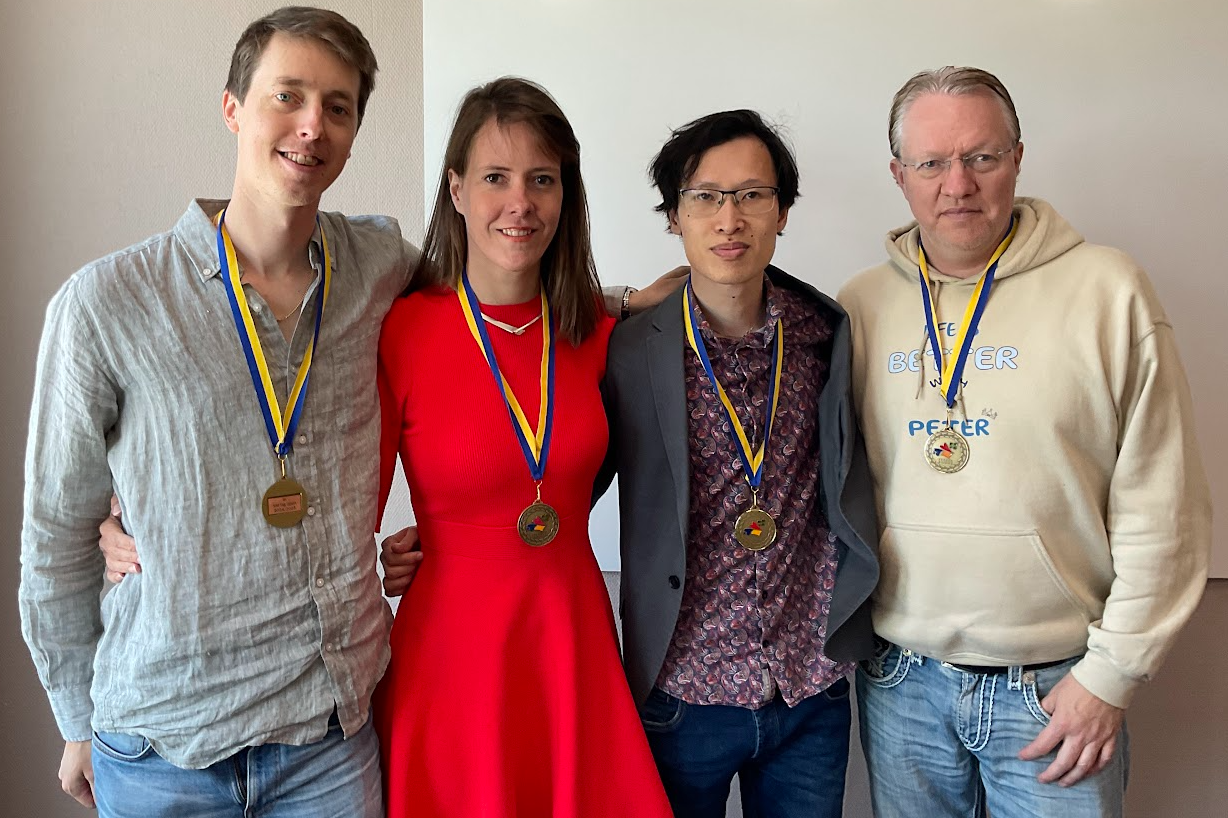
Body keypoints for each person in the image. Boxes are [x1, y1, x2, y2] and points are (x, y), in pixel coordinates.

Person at [20, 8, 408, 816]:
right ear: (233, 108)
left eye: (337, 107)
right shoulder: (106, 303)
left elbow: (495, 293)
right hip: (163, 746)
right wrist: (75, 719)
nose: (312, 125)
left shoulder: (379, 266)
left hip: (328, 743)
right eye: (287, 96)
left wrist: (621, 302)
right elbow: (56, 532)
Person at [838, 66, 1211, 818]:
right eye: (931, 162)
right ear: (898, 175)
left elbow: (1163, 503)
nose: (958, 185)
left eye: (981, 157)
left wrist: (1110, 677)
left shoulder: (1108, 291)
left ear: (1017, 158)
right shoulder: (860, 304)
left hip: (1055, 688)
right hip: (901, 683)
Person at [372, 77, 672, 817]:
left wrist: (631, 301)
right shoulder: (400, 330)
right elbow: (340, 503)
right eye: (495, 178)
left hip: (571, 643)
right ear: (456, 189)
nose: (521, 203)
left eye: (542, 179)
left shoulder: (602, 336)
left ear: (566, 195)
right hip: (450, 655)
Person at [594, 110, 879, 817]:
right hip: (682, 693)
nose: (730, 219)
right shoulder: (627, 350)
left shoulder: (826, 335)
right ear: (674, 217)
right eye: (705, 197)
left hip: (808, 690)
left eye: (752, 194)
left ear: (782, 212)